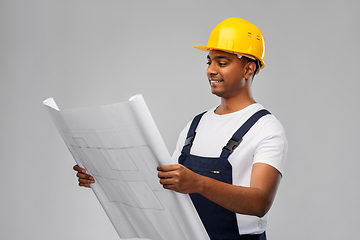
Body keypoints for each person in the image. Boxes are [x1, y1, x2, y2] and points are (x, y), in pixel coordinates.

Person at [74, 17, 287, 240]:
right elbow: (164, 190)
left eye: (221, 63)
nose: (210, 71)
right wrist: (101, 178)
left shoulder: (266, 128)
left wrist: (198, 183)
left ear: (248, 69)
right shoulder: (195, 126)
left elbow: (260, 202)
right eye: (209, 62)